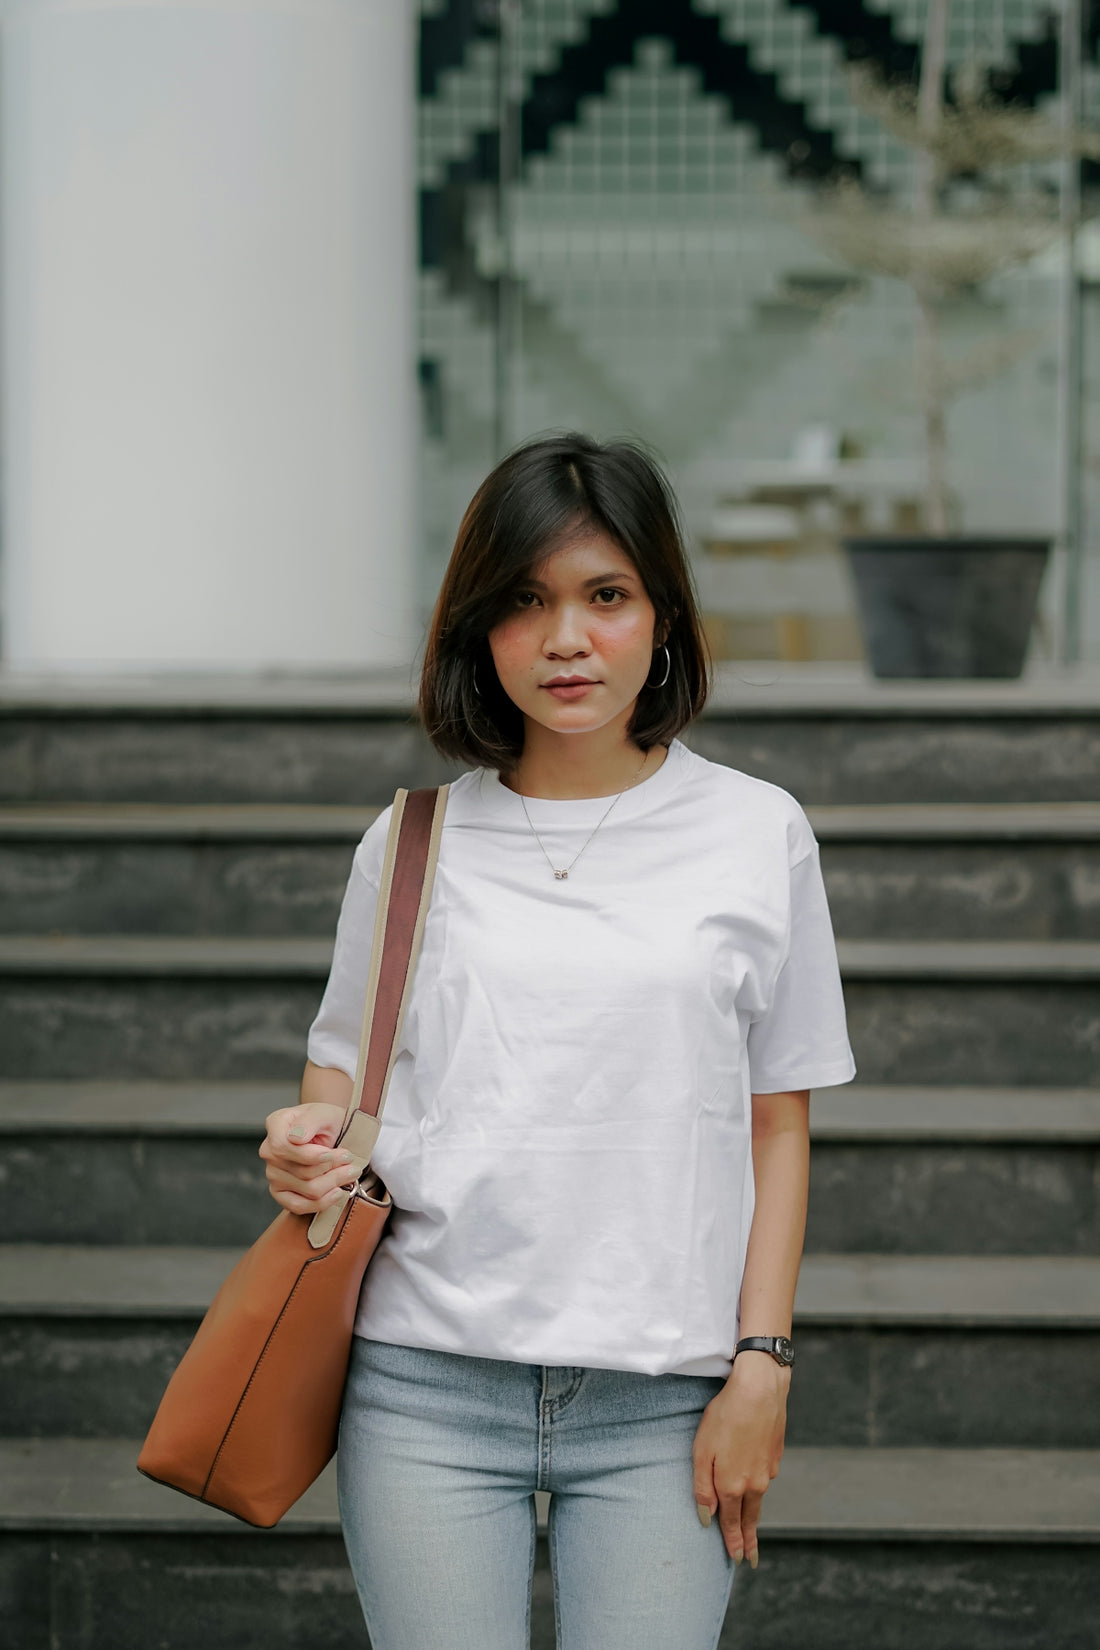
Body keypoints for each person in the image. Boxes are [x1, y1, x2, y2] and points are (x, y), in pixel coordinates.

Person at [259, 432, 856, 1650]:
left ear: (663, 616)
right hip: (424, 1382)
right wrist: (303, 1141)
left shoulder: (756, 833)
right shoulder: (409, 841)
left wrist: (761, 1362)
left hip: (664, 1395)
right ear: (478, 628)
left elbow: (776, 1125)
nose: (566, 639)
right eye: (525, 601)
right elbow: (343, 1070)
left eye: (605, 596)